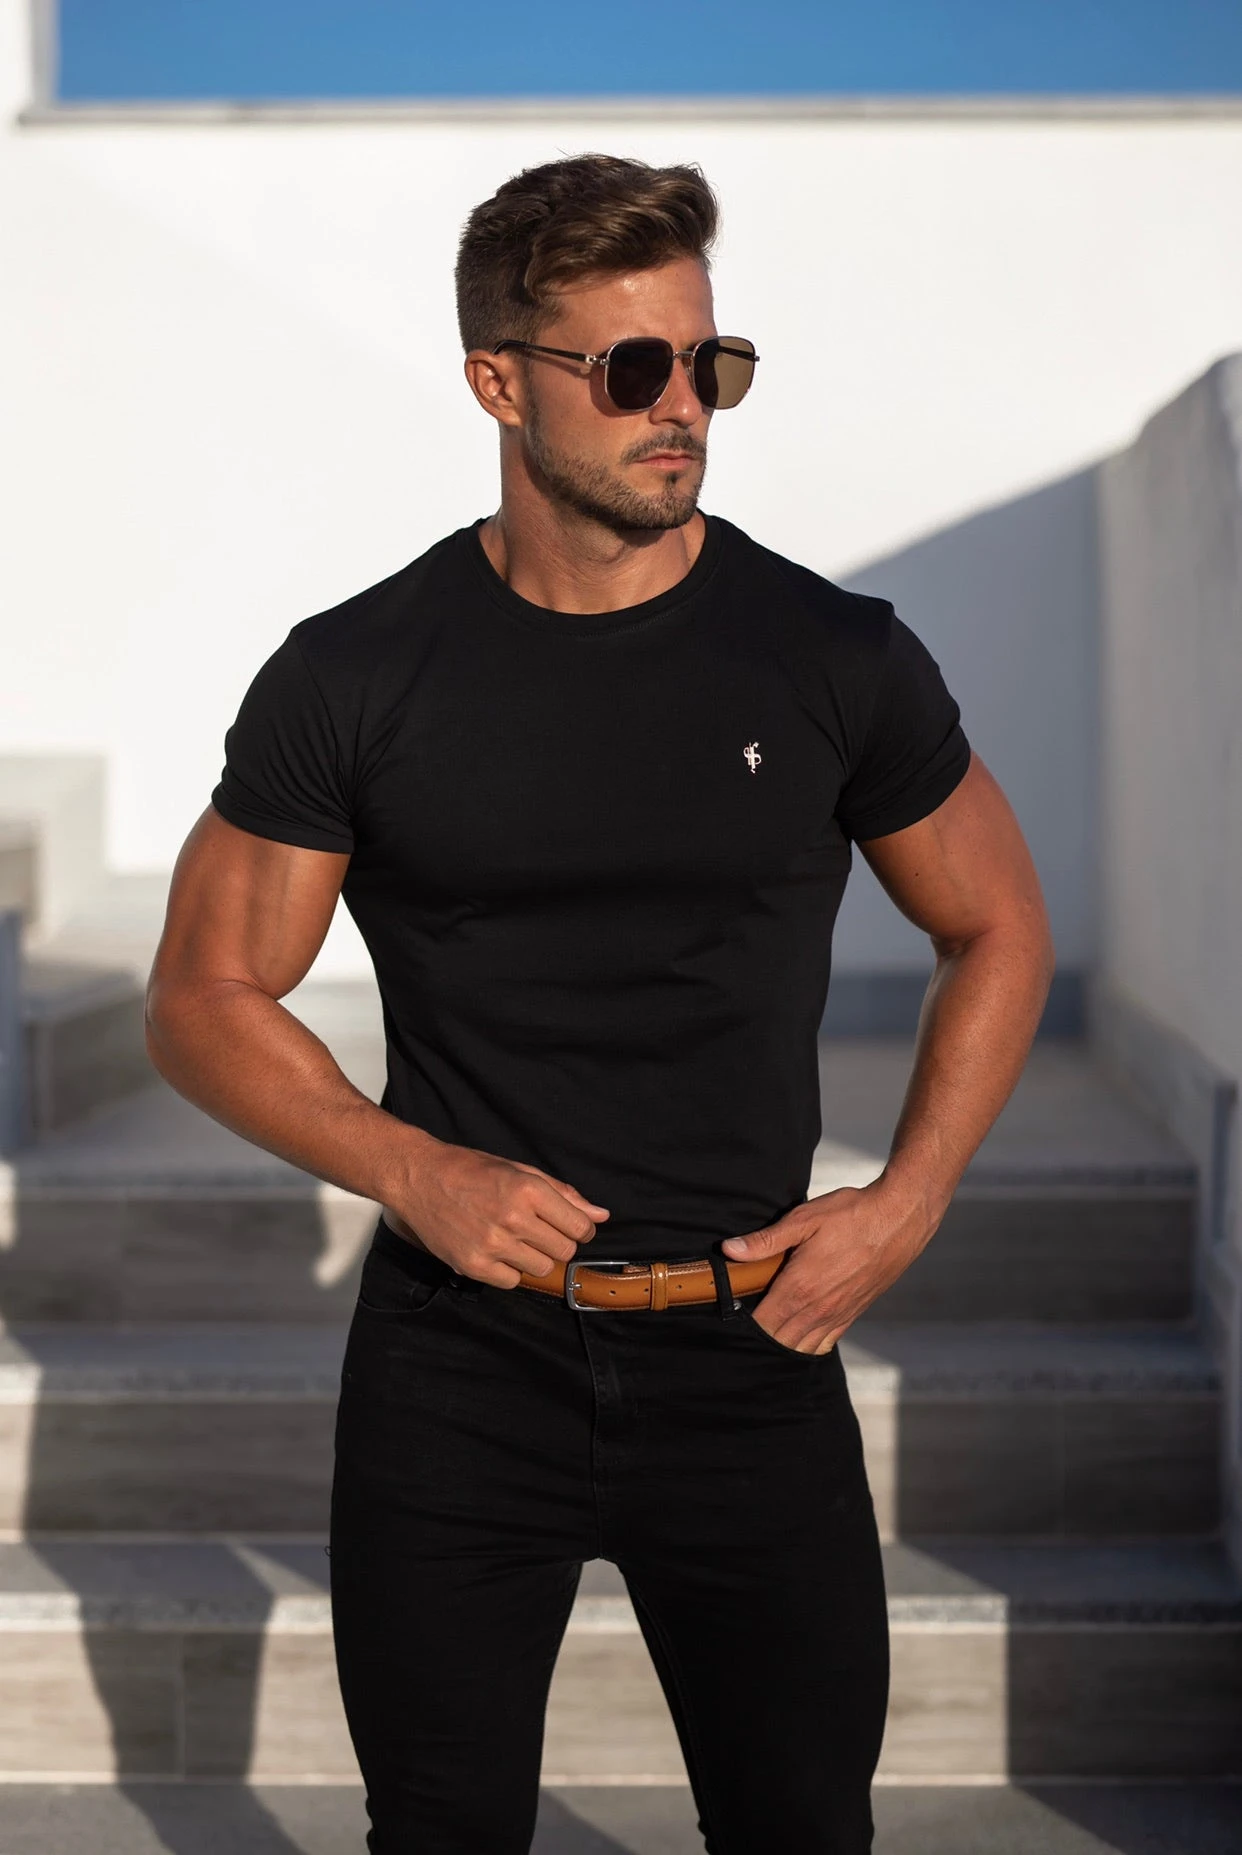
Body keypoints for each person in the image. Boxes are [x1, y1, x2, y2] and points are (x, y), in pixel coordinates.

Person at [145, 153, 1054, 1854]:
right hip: (457, 1358)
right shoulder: (357, 673)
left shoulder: (830, 654)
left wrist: (908, 1198)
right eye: (631, 367)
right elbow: (201, 992)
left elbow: (995, 922)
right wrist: (410, 1167)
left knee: (801, 1829)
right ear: (498, 382)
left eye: (709, 362)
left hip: (753, 1339)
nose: (681, 405)